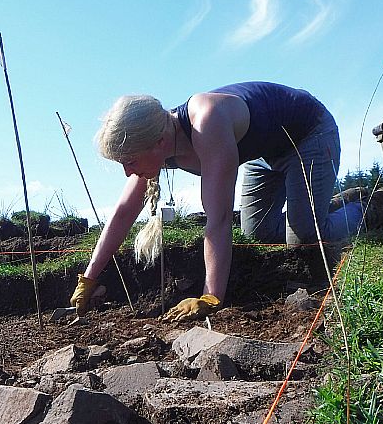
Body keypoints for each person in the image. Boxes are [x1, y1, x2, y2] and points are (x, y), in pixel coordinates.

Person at [72, 82, 364, 323]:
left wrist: (211, 296)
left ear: (158, 142)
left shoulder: (206, 122)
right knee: (258, 233)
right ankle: (325, 203)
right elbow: (123, 213)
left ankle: (363, 208)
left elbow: (219, 218)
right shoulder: (156, 139)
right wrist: (88, 278)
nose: (127, 171)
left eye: (130, 161)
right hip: (260, 155)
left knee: (303, 236)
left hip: (306, 135)